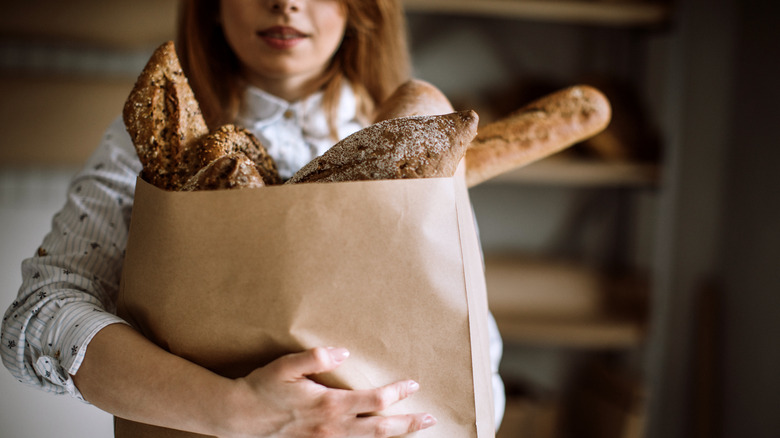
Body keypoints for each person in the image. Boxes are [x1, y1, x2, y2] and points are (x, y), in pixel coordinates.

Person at [0, 0, 505, 436]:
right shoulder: (154, 142)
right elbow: (37, 317)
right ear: (213, 7)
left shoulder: (420, 149)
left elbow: (477, 363)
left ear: (359, 8)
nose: (285, 2)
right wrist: (234, 409)